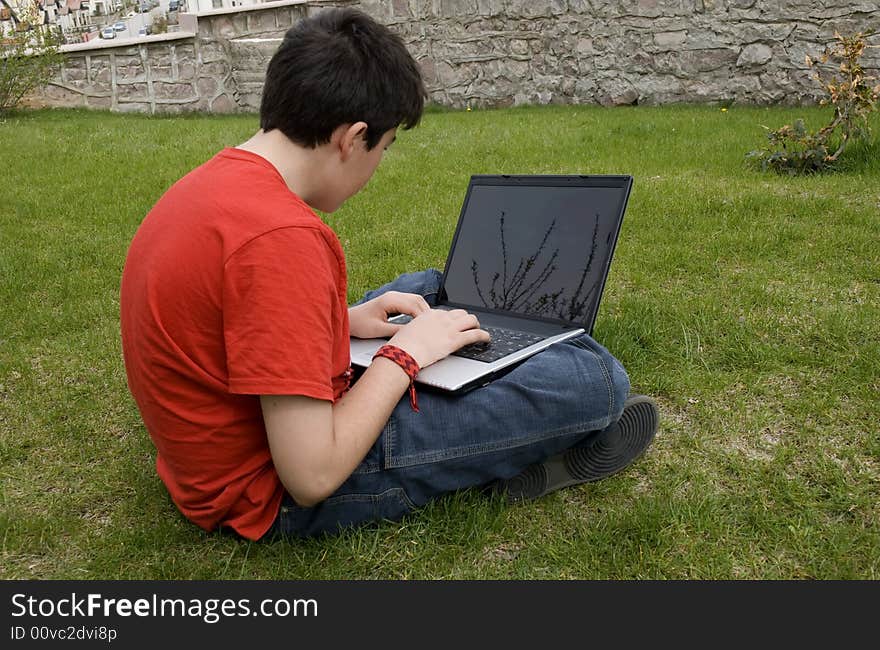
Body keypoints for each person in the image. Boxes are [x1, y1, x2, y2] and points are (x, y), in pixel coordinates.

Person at [119, 7, 659, 541]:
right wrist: (405, 357)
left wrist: (344, 320)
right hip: (267, 488)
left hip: (236, 431)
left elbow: (237, 311)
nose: (378, 162)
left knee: (429, 288)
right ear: (352, 138)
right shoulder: (283, 239)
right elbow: (312, 476)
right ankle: (523, 411)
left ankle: (495, 364)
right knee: (594, 381)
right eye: (384, 145)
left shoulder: (217, 183)